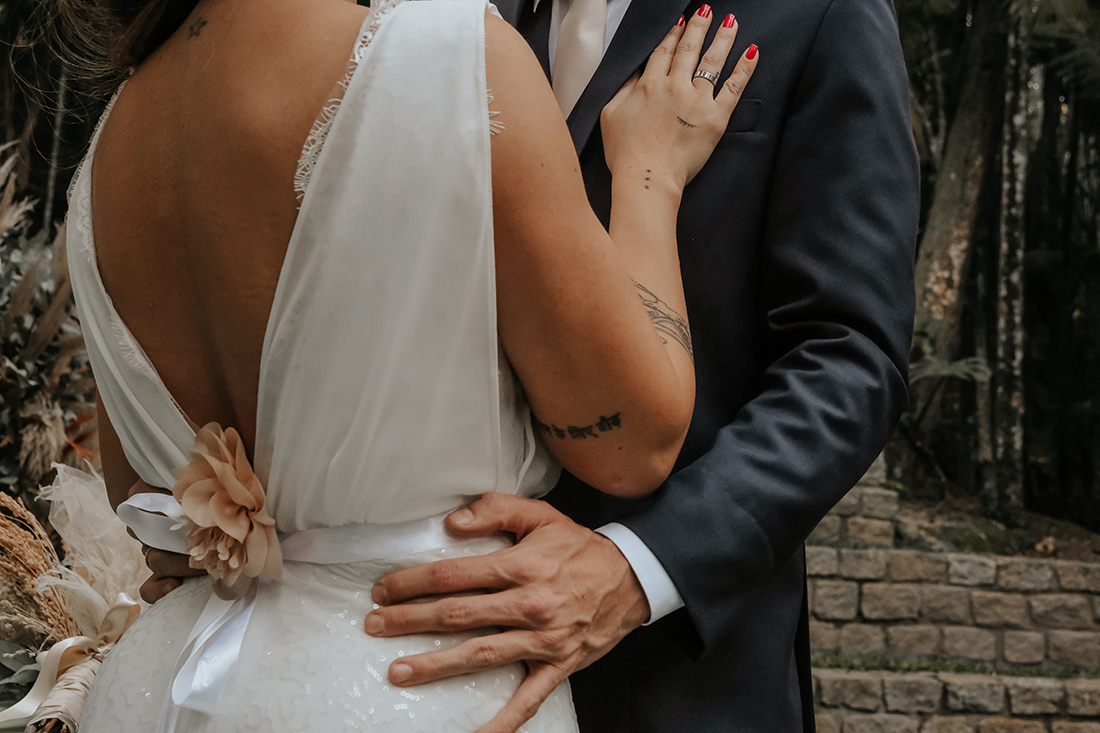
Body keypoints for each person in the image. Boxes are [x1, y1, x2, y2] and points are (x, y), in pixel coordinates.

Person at [52, 0, 760, 730]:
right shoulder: (451, 60)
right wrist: (650, 174)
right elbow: (632, 445)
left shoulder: (114, 135)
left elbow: (141, 498)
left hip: (162, 691)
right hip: (409, 685)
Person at [353, 0, 921, 731]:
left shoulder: (820, 14)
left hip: (675, 681)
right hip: (431, 649)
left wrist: (637, 568)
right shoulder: (455, 23)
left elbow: (849, 357)